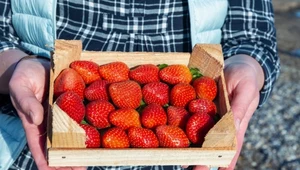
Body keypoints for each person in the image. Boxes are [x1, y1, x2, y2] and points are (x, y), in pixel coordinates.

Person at [0, 0, 280, 170]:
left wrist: (248, 66)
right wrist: (14, 66)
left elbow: (253, 36)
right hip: (37, 141)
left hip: (187, 158)